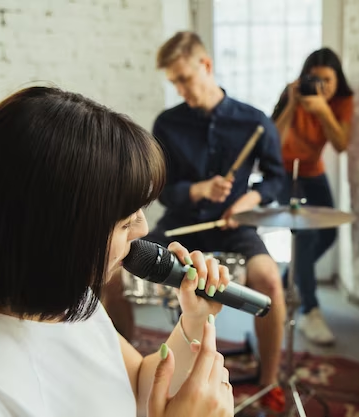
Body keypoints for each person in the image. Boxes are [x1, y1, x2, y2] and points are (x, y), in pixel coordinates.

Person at [0, 86, 234, 417]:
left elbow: (140, 383)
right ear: (59, 230)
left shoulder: (68, 298)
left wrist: (195, 319)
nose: (143, 230)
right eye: (126, 222)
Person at [146, 31, 287, 410]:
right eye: (173, 81)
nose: (179, 89)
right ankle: (125, 365)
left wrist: (249, 200)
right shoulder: (167, 124)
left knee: (270, 280)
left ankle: (268, 384)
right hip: (180, 225)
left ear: (205, 65)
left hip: (235, 227)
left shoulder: (254, 121)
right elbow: (164, 190)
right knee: (115, 267)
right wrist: (198, 190)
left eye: (184, 79)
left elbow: (277, 179)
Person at [271, 47, 354, 345]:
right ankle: (310, 310)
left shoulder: (342, 101)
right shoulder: (293, 93)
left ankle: (286, 279)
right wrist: (292, 104)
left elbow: (341, 143)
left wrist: (322, 109)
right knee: (304, 236)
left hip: (313, 170)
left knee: (328, 233)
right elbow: (273, 140)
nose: (321, 87)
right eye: (315, 80)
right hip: (284, 170)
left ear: (337, 80)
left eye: (327, 81)